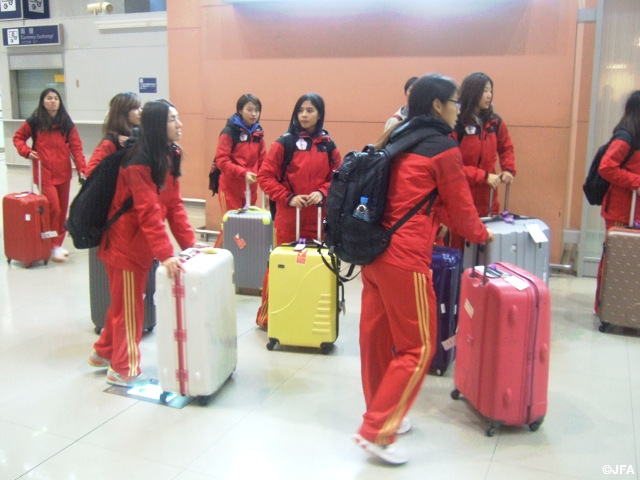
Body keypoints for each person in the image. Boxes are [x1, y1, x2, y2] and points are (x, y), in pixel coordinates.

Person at [353, 74, 494, 465]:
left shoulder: (398, 138)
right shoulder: (442, 148)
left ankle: (381, 414)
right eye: (453, 102)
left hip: (374, 254)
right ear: (437, 105)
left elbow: (426, 198)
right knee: (419, 347)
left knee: (376, 340)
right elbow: (464, 212)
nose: (457, 109)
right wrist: (483, 234)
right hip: (406, 259)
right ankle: (377, 429)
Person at [87, 99, 204, 387]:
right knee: (130, 308)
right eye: (172, 119)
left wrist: (189, 245)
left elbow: (174, 204)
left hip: (139, 245)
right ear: (156, 124)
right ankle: (122, 368)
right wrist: (166, 254)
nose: (179, 124)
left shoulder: (170, 154)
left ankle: (103, 352)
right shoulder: (137, 162)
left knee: (124, 303)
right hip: (124, 246)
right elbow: (148, 211)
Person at [254, 93, 341, 328]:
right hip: (289, 217)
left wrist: (323, 192)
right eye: (301, 110)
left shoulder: (328, 145)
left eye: (310, 110)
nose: (304, 114)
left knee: (314, 267)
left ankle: (306, 315)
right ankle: (269, 317)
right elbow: (265, 177)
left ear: (320, 114)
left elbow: (339, 177)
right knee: (281, 266)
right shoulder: (284, 143)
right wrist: (288, 198)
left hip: (317, 218)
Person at [13, 88, 87, 262]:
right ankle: (51, 243)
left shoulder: (65, 122)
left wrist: (82, 169)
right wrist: (26, 151)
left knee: (62, 211)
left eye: (56, 98)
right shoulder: (35, 121)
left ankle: (57, 244)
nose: (53, 101)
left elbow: (75, 146)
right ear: (42, 101)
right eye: (49, 98)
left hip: (63, 172)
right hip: (43, 172)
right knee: (53, 207)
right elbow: (18, 138)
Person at [448, 72, 516, 252]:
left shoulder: (495, 122)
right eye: (485, 91)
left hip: (488, 197)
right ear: (473, 92)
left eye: (490, 91)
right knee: (461, 246)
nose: (489, 95)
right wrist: (482, 176)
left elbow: (506, 147)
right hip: (462, 193)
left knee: (486, 247)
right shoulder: (457, 122)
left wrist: (508, 169)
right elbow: (451, 165)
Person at [594, 90, 640, 314]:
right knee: (613, 259)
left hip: (633, 209)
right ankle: (605, 307)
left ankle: (627, 308)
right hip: (621, 211)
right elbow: (606, 167)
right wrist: (636, 182)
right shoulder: (627, 136)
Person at [215, 93, 266, 212]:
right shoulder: (229, 132)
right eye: (249, 110)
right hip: (230, 190)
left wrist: (265, 188)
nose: (254, 114)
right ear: (240, 110)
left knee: (248, 227)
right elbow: (222, 161)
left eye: (257, 110)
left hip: (251, 190)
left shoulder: (258, 134)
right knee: (232, 228)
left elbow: (264, 162)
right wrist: (243, 173)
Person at [86, 91, 142, 176]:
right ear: (123, 112)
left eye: (140, 107)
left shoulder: (139, 134)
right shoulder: (111, 142)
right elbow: (91, 171)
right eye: (135, 108)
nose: (140, 112)